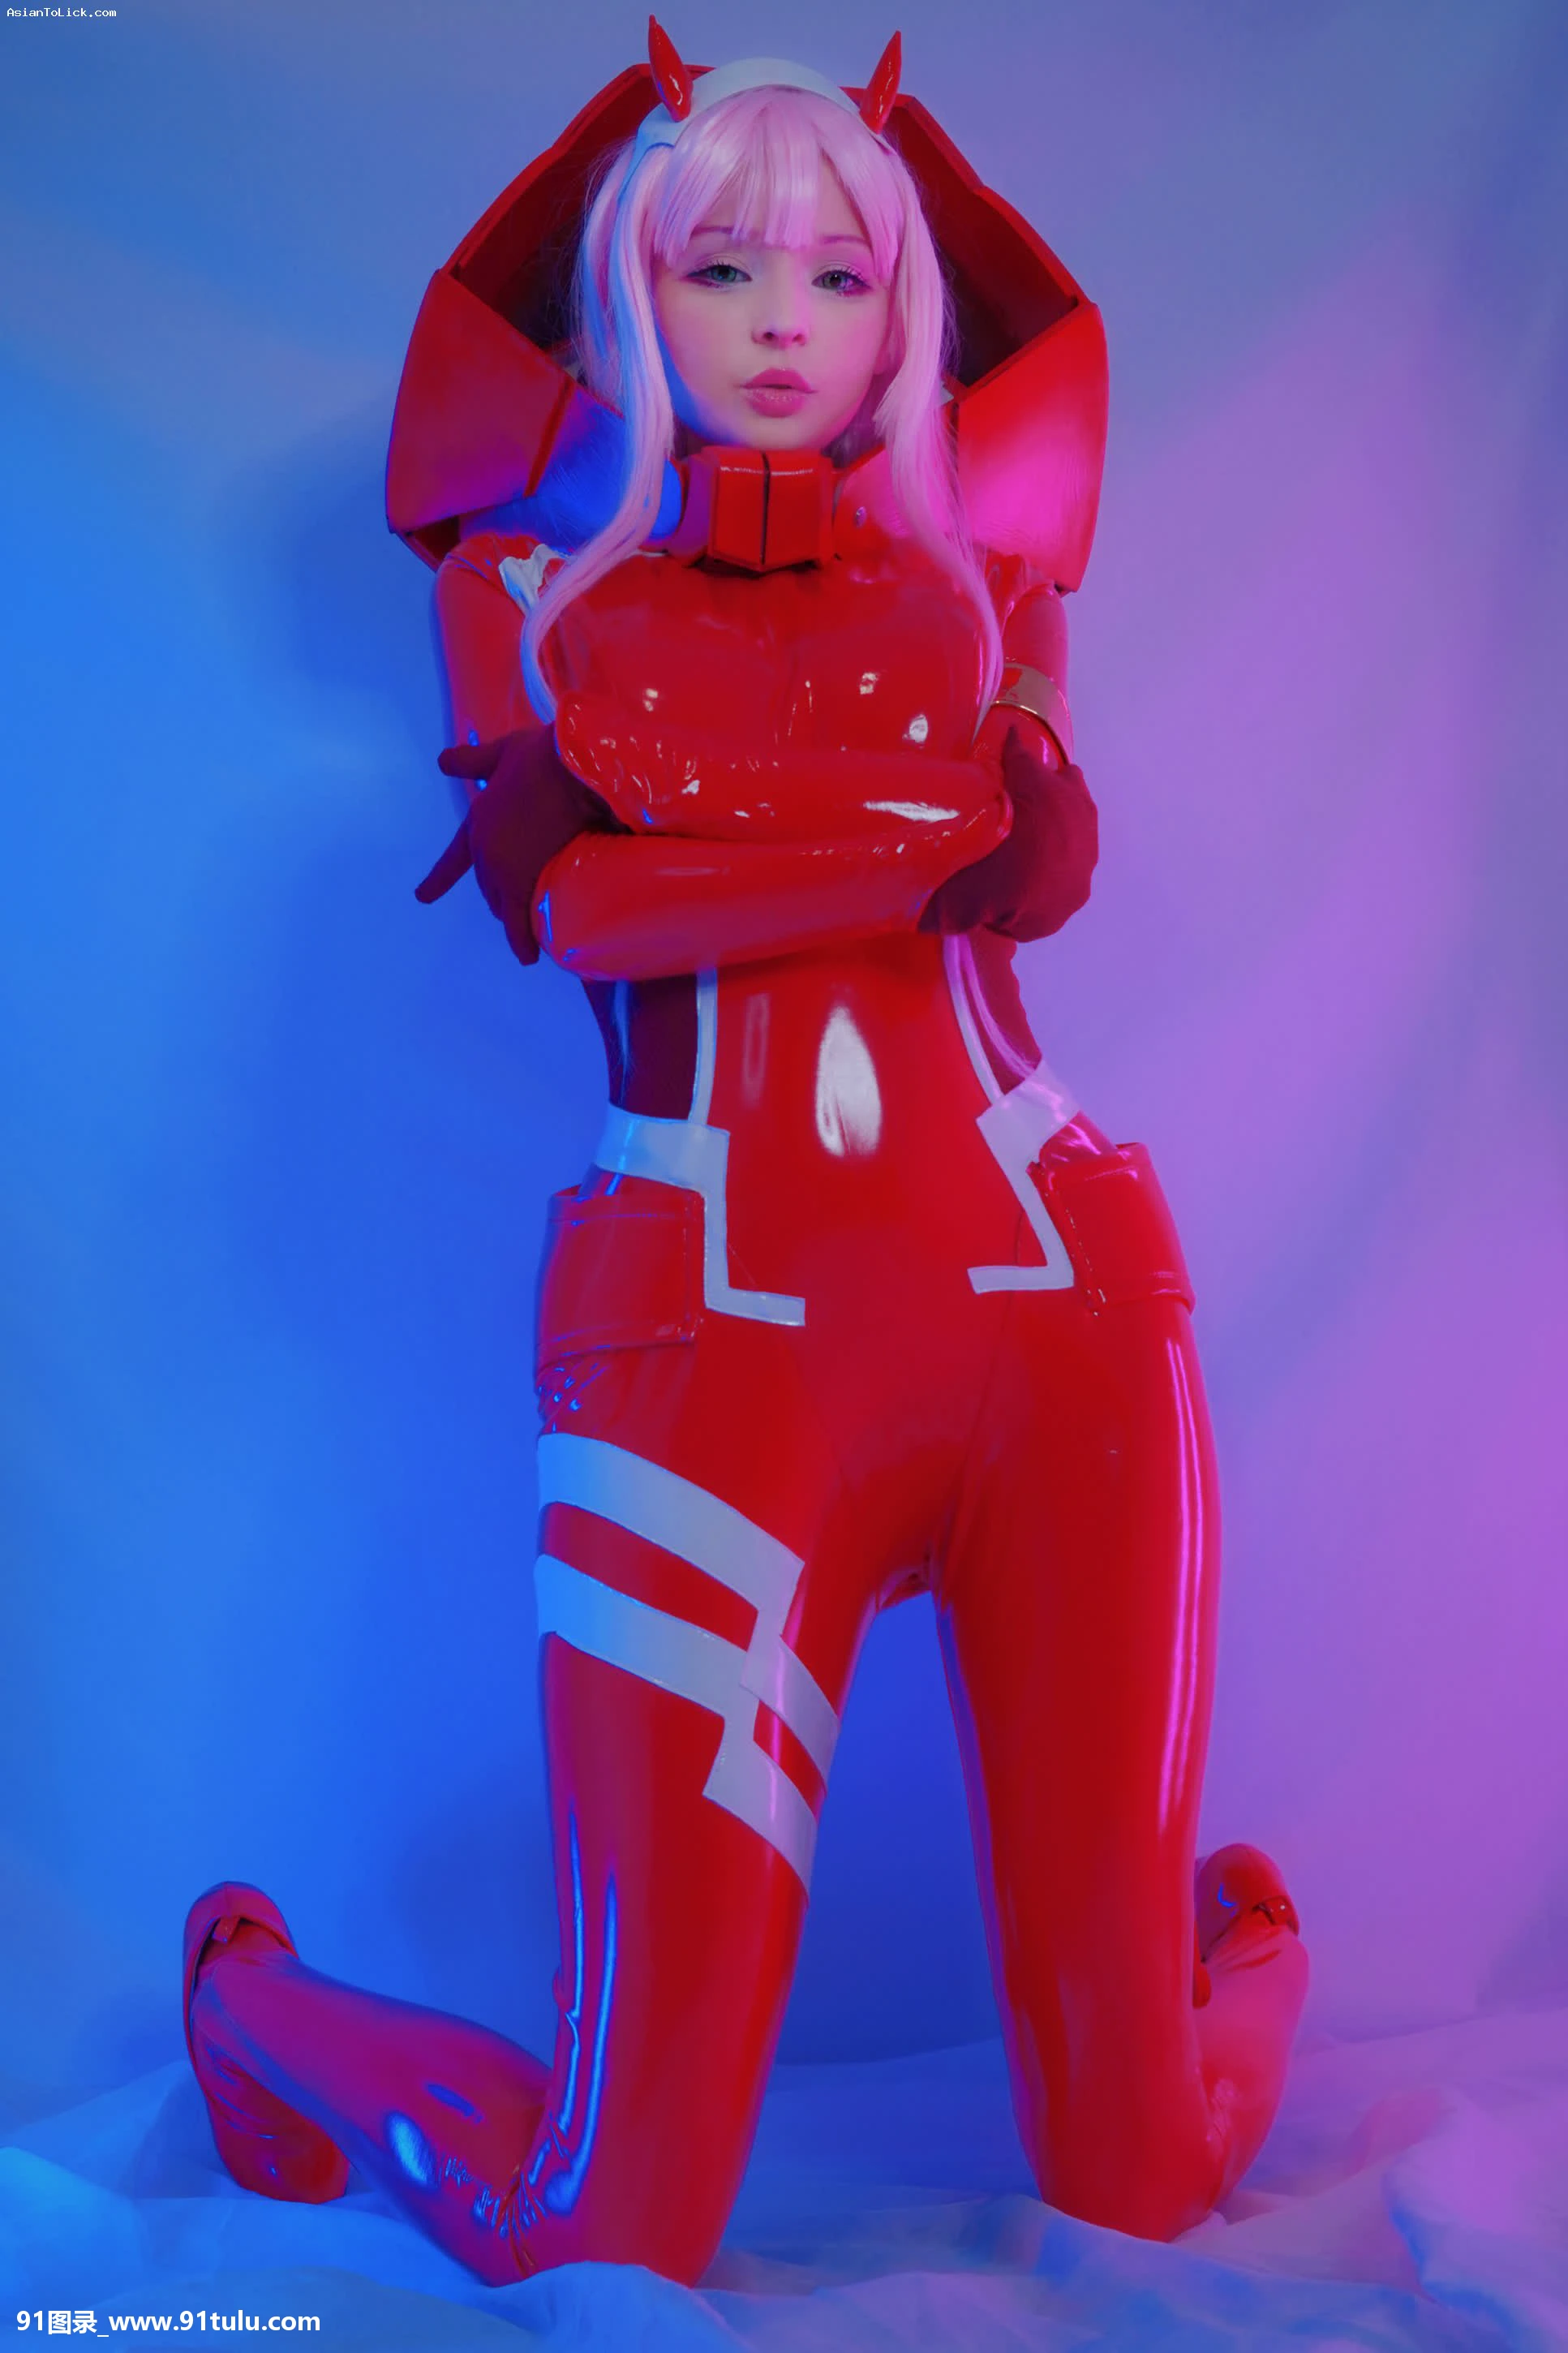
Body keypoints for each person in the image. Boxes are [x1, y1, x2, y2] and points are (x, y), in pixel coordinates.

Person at [181, 28, 1307, 2287]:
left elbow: (974, 859)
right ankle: (249, 2006)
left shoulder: (989, 593)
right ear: (633, 297)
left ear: (905, 320)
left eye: (838, 273)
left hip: (1063, 1328)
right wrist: (923, 845)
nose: (781, 319)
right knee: (598, 2228)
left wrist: (722, 828)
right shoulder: (529, 605)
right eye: (716, 267)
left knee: (1143, 2188)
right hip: (712, 1365)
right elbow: (590, 915)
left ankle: (1245, 1950)